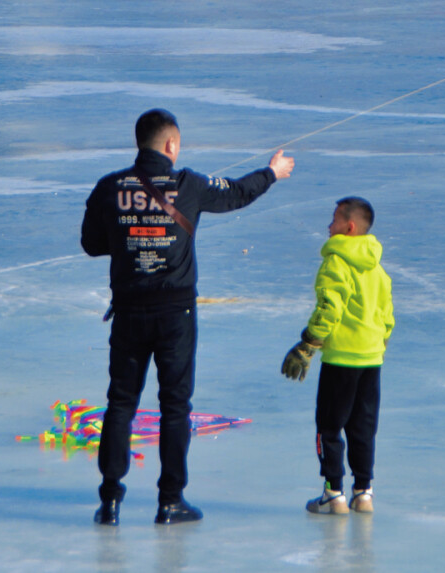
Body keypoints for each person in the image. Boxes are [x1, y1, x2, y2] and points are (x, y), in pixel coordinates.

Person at [82, 107, 294, 527]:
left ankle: (109, 501)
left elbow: (91, 244)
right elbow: (236, 193)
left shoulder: (109, 186)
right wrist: (272, 172)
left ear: (139, 142)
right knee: (174, 406)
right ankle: (170, 501)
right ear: (171, 145)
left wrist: (132, 237)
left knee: (120, 403)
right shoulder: (188, 184)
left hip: (128, 311)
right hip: (174, 312)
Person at [281, 196, 393, 516]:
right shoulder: (377, 265)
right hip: (371, 358)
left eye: (333, 220)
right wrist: (378, 341)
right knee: (363, 426)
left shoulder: (336, 262)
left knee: (329, 426)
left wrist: (309, 344)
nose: (328, 227)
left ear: (349, 226)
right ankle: (364, 492)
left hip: (341, 359)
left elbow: (330, 306)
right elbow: (387, 313)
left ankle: (333, 493)